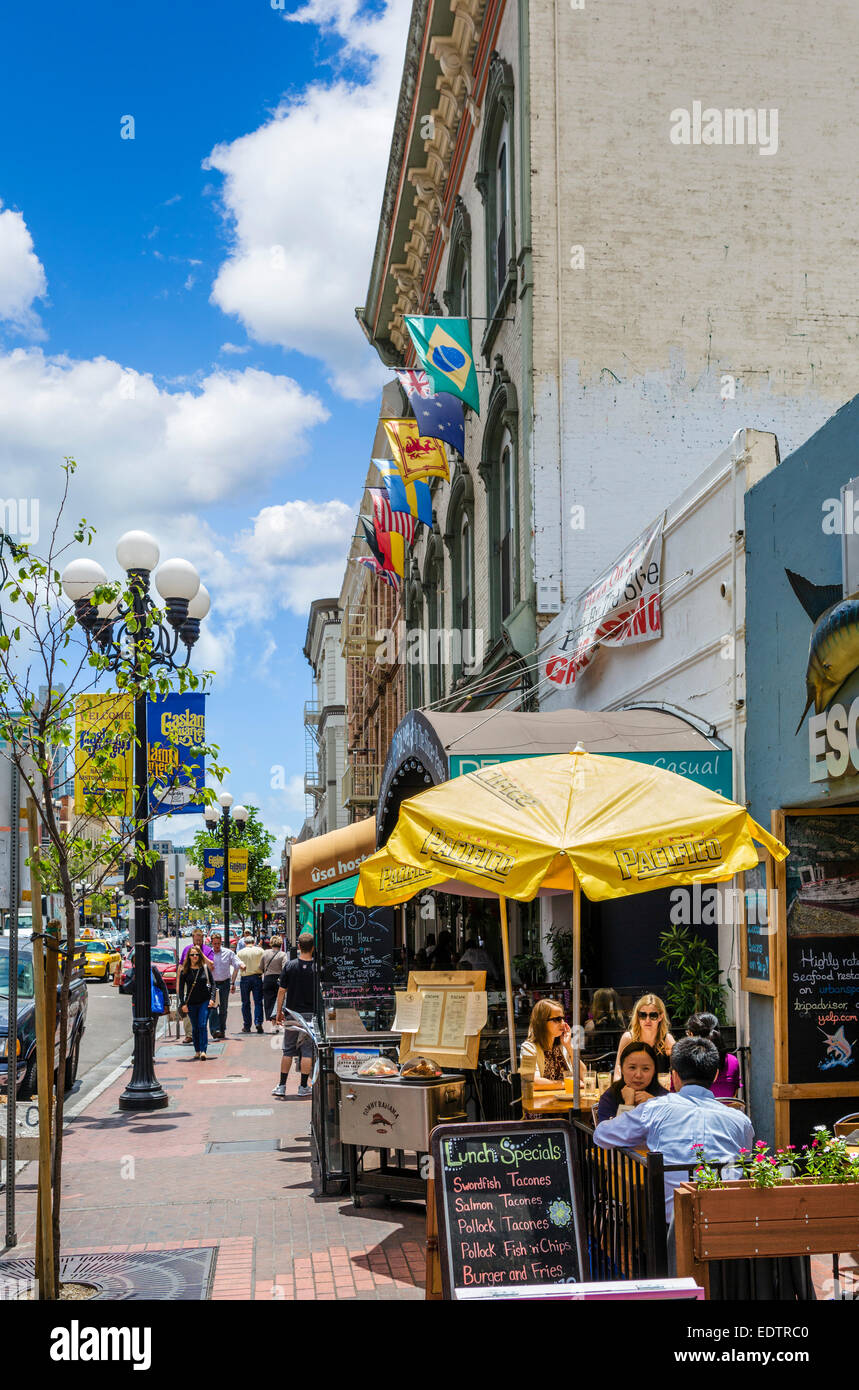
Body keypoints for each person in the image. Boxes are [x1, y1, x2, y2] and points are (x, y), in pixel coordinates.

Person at [594, 1037, 754, 1237]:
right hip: (728, 1223)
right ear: (715, 1076)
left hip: (673, 1224)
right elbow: (744, 1162)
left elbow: (601, 1135)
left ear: (674, 1076)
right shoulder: (740, 1120)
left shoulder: (655, 1109)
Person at [273, 931, 317, 1098]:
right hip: (310, 1015)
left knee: (288, 1050)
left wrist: (278, 1013)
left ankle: (282, 1086)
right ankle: (303, 1086)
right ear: (313, 948)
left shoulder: (290, 966)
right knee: (307, 1051)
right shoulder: (317, 968)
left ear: (299, 946)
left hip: (292, 1014)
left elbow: (281, 991)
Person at [520, 998, 587, 1089]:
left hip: (568, 1099)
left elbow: (584, 1076)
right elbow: (529, 1081)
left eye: (563, 1018)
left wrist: (570, 1048)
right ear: (542, 1022)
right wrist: (565, 1084)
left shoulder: (563, 1045)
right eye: (557, 1019)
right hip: (543, 1101)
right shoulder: (528, 1047)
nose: (563, 1023)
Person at [596, 1041, 669, 1122]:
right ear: (622, 1069)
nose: (638, 1075)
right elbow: (615, 1133)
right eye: (632, 1067)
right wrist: (628, 1105)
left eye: (645, 1069)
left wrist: (655, 1105)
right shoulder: (610, 1097)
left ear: (654, 1071)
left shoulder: (665, 1098)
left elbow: (672, 1131)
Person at [613, 993, 675, 1080]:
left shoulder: (667, 1039)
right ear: (637, 1016)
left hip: (660, 1091)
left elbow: (678, 1071)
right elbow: (618, 1069)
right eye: (643, 1015)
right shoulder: (628, 1038)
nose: (647, 1020)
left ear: (661, 1016)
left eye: (653, 1015)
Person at [685, 1011, 741, 1098]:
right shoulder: (732, 1061)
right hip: (725, 1110)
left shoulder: (686, 1063)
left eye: (688, 1034)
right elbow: (734, 1094)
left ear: (692, 1036)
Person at [177, 945, 216, 1059]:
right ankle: (197, 1050)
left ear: (200, 956)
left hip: (204, 1001)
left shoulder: (204, 968)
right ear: (188, 956)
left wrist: (212, 999)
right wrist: (183, 1003)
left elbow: (213, 984)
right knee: (195, 1027)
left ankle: (203, 1050)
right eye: (192, 955)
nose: (195, 957)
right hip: (191, 1003)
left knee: (202, 1025)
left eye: (197, 955)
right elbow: (180, 989)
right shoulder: (185, 971)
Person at [208, 931, 244, 1040]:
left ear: (221, 942)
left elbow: (236, 963)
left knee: (223, 1009)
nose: (217, 946)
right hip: (212, 985)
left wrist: (241, 965)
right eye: (215, 944)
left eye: (218, 944)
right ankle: (215, 1030)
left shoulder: (228, 953)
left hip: (224, 984)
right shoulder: (208, 954)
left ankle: (222, 1029)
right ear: (212, 944)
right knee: (213, 1008)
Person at [236, 933, 265, 1033]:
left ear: (244, 943)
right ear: (254, 942)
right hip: (257, 977)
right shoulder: (260, 951)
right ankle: (258, 1022)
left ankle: (247, 1025)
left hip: (245, 978)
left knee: (245, 1003)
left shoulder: (240, 953)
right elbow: (264, 964)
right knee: (258, 1002)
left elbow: (237, 967)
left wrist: (232, 982)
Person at [261, 934, 287, 1029]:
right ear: (280, 944)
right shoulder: (283, 954)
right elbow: (285, 968)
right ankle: (277, 1019)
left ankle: (273, 1023)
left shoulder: (265, 953)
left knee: (269, 1001)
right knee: (279, 1000)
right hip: (279, 979)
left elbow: (261, 966)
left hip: (267, 979)